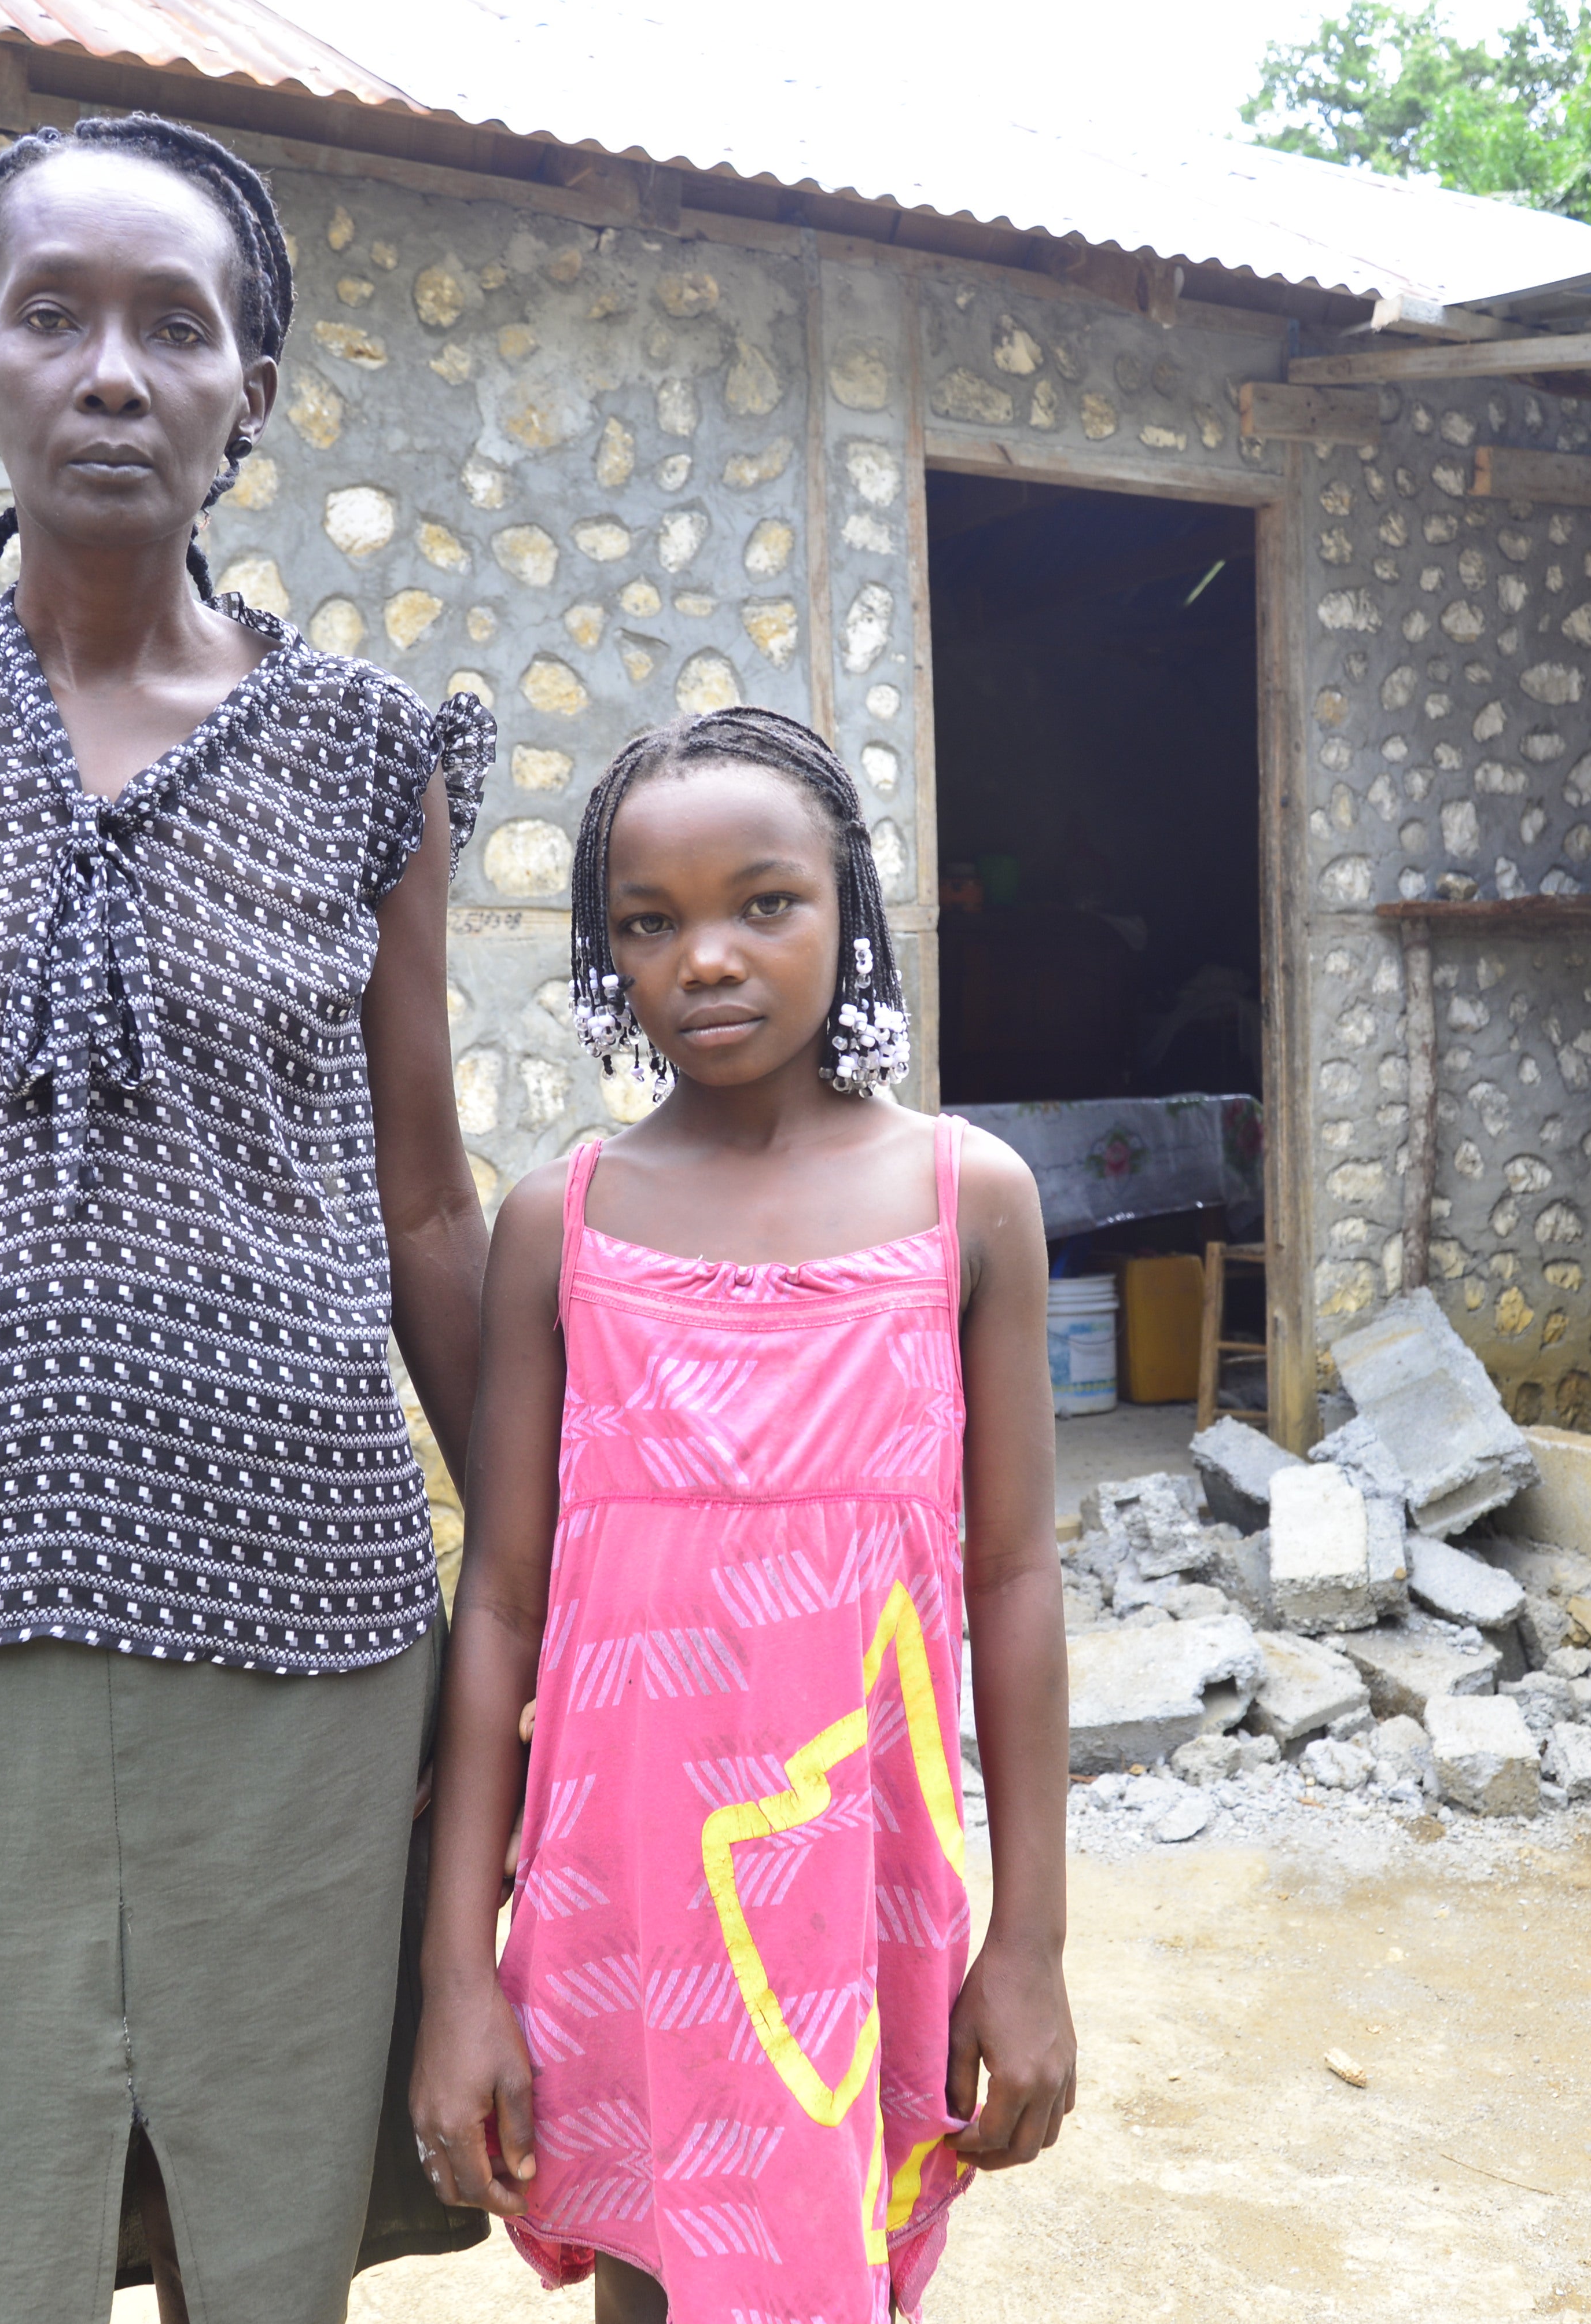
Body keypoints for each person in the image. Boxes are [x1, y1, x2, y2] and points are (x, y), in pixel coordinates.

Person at [0, 113, 491, 2323]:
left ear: (252, 391)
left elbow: (428, 1203)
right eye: (55, 315)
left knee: (264, 2232)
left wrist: (549, 1567)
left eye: (182, 325)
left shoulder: (366, 757)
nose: (115, 372)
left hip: (311, 1624)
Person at [411, 709, 1077, 2322]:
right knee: (657, 2278)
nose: (706, 957)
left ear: (846, 909)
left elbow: (1013, 1575)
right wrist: (456, 1975)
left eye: (762, 903)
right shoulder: (557, 1225)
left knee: (838, 2257)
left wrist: (1034, 1943)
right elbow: (501, 1605)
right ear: (606, 955)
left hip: (862, 1873)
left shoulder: (963, 1199)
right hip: (625, 1892)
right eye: (652, 921)